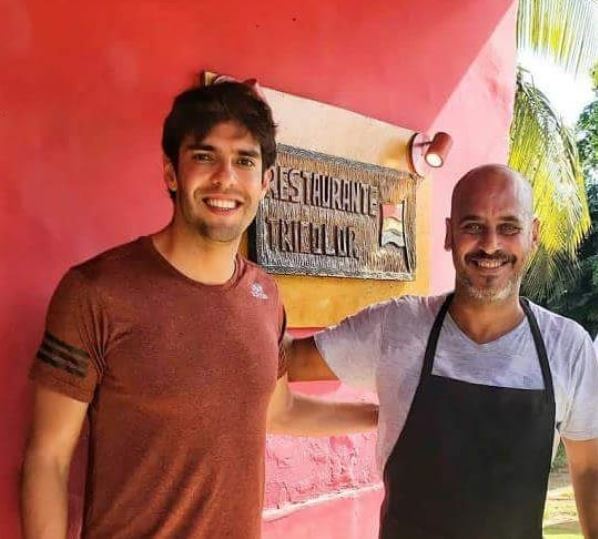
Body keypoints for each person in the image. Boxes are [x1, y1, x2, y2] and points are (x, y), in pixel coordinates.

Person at [21, 81, 377, 539]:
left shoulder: (265, 296)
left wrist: (383, 415)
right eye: (205, 157)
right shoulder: (95, 292)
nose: (225, 178)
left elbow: (278, 411)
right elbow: (47, 458)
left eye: (244, 161)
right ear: (172, 173)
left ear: (266, 182)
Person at [287, 164, 598, 538]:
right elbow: (283, 361)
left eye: (508, 228)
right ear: (449, 233)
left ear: (533, 235)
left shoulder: (567, 347)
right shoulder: (395, 326)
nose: (490, 244)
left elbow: (589, 469)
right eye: (473, 226)